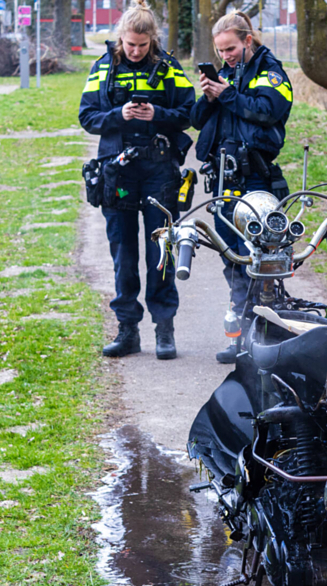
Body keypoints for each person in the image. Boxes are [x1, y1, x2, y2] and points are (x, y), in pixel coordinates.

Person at [78, 1, 195, 359]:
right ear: (120, 39)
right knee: (123, 256)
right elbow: (87, 116)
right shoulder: (104, 68)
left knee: (161, 254)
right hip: (118, 172)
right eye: (130, 44)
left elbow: (190, 112)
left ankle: (165, 331)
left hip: (159, 172)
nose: (135, 51)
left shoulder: (169, 68)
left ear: (152, 40)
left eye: (142, 45)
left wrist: (157, 113)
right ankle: (127, 331)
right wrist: (119, 114)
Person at [190, 11, 293, 364]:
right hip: (223, 179)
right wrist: (209, 96)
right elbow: (196, 119)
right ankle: (241, 336)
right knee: (232, 258)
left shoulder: (271, 71)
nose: (226, 57)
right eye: (220, 51)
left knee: (260, 259)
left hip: (255, 180)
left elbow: (269, 110)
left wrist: (228, 94)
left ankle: (265, 338)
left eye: (231, 48)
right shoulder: (225, 74)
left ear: (248, 40)